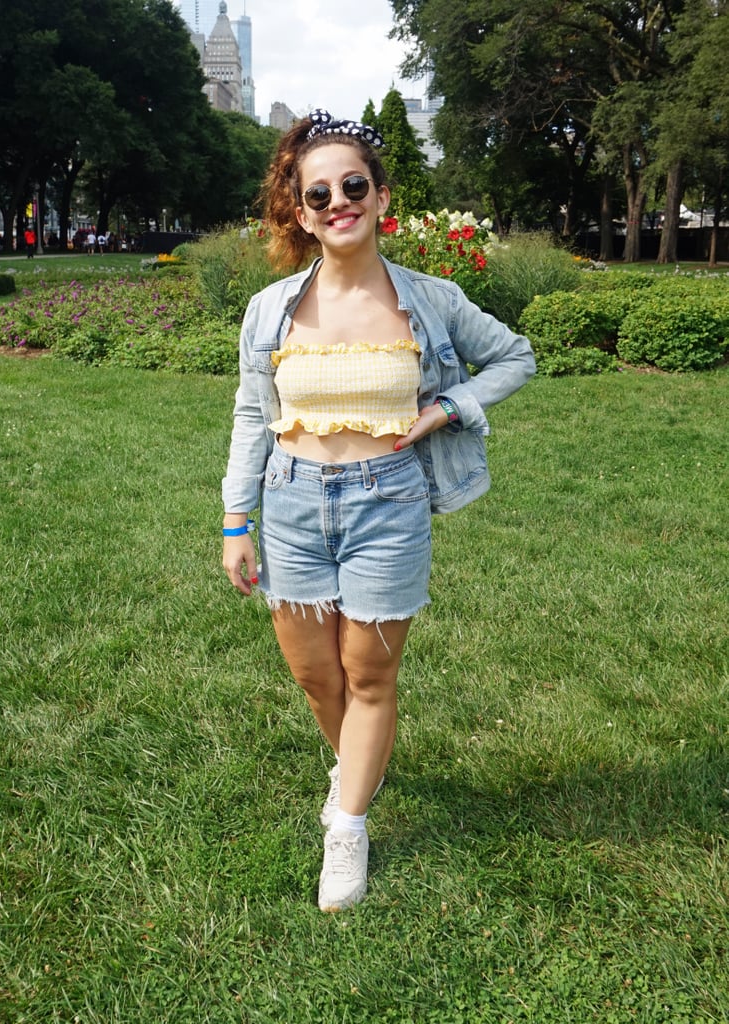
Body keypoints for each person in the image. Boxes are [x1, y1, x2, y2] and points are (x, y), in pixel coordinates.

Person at [221, 109, 536, 913]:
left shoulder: (429, 298)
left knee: (369, 672)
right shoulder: (272, 309)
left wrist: (450, 406)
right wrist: (235, 522)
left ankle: (348, 822)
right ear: (299, 210)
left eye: (352, 186)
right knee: (314, 672)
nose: (337, 203)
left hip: (386, 501)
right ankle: (363, 758)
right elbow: (252, 418)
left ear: (381, 194)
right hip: (290, 502)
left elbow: (514, 355)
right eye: (316, 192)